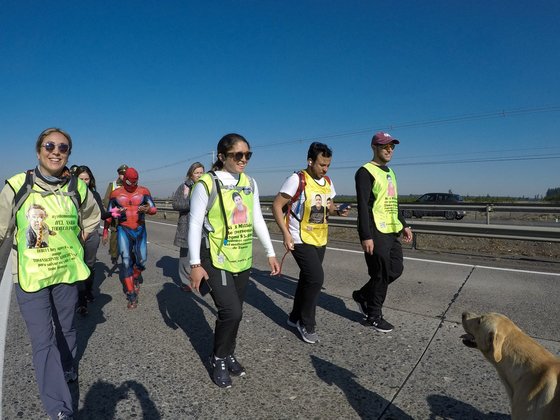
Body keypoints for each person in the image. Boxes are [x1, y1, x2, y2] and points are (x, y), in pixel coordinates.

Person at [0, 128, 101, 420]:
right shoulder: (18, 185)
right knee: (43, 339)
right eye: (50, 145)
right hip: (31, 278)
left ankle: (68, 366)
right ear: (38, 150)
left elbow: (93, 217)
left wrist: (81, 235)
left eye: (63, 147)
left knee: (66, 327)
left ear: (68, 153)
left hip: (65, 272)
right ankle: (60, 408)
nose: (56, 151)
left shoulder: (77, 188)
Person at [188, 133, 280, 388]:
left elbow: (257, 219)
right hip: (215, 257)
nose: (243, 159)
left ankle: (228, 352)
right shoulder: (206, 183)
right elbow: (195, 224)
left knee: (234, 314)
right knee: (232, 311)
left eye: (247, 154)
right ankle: (217, 357)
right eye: (237, 155)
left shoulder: (250, 182)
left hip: (242, 257)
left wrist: (270, 251)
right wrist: (195, 264)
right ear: (221, 156)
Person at [271, 142, 348, 344]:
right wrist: (286, 234)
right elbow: (277, 206)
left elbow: (328, 206)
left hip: (320, 237)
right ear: (310, 161)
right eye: (322, 164)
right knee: (316, 278)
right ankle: (307, 323)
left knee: (307, 278)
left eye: (328, 165)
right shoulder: (297, 179)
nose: (325, 169)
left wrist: (338, 210)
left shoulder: (327, 181)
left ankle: (294, 316)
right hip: (299, 237)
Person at [352, 132, 413, 333]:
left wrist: (403, 224)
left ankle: (362, 295)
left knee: (395, 269)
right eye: (385, 146)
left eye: (392, 147)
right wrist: (365, 236)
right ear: (374, 147)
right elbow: (362, 206)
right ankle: (374, 316)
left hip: (391, 229)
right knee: (380, 273)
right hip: (375, 230)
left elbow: (393, 202)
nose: (389, 150)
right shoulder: (365, 171)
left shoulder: (390, 172)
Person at [103, 167, 157, 309]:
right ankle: (131, 294)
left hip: (139, 229)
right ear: (124, 179)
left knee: (142, 260)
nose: (132, 185)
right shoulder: (115, 194)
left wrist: (147, 209)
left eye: (135, 182)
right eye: (129, 182)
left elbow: (154, 209)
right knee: (126, 260)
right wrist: (106, 230)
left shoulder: (144, 191)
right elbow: (109, 213)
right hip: (123, 229)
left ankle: (135, 275)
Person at [75, 165, 109, 315]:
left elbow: (101, 214)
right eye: (80, 179)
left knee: (89, 265)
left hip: (92, 234)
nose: (83, 181)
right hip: (74, 236)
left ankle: (88, 291)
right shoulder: (68, 193)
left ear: (91, 180)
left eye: (86, 179)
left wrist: (116, 212)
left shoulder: (94, 194)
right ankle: (81, 301)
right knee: (77, 266)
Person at [172, 161, 205, 292]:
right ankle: (186, 282)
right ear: (190, 174)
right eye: (196, 172)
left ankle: (201, 278)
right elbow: (176, 204)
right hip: (187, 225)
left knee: (203, 253)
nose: (199, 175)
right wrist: (194, 202)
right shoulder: (184, 187)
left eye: (201, 172)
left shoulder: (206, 186)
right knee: (185, 256)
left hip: (203, 226)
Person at [103, 164, 128, 265]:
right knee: (115, 234)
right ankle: (114, 255)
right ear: (118, 174)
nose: (124, 176)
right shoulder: (112, 185)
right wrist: (113, 210)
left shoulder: (131, 185)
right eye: (122, 174)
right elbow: (106, 200)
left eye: (125, 174)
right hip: (116, 215)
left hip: (127, 216)